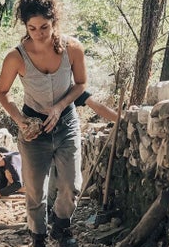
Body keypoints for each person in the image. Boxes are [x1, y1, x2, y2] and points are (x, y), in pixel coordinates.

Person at [0, 0, 86, 247]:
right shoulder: (15, 57)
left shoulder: (72, 48)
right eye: (32, 28)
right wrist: (21, 121)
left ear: (54, 21)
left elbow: (81, 84)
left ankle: (62, 226)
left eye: (44, 27)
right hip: (33, 128)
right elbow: (2, 93)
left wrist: (60, 107)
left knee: (71, 183)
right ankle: (38, 238)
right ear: (25, 25)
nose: (39, 35)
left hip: (66, 122)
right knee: (35, 188)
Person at [47, 90, 120, 218]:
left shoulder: (71, 89)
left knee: (70, 184)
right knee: (49, 183)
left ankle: (60, 223)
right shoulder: (39, 85)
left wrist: (120, 118)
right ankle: (46, 216)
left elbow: (96, 105)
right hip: (43, 142)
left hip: (66, 141)